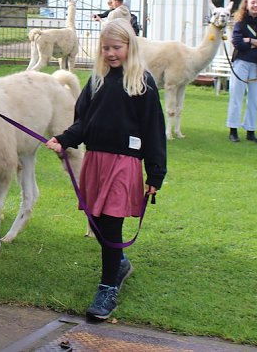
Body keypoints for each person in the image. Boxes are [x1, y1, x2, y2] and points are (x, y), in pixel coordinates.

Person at [45, 18, 166, 320]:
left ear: (129, 46)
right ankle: (120, 263)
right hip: (96, 161)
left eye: (117, 47)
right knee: (96, 221)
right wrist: (64, 139)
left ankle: (108, 288)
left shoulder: (142, 82)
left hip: (124, 164)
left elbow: (154, 129)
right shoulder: (97, 80)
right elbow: (83, 122)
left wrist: (155, 173)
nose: (111, 53)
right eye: (106, 48)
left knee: (111, 225)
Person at [226, 0, 257, 144]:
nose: (255, 5)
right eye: (253, 3)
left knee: (254, 99)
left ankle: (251, 130)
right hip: (241, 63)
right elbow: (238, 43)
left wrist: (249, 40)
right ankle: (233, 130)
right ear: (246, 5)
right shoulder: (240, 23)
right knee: (236, 97)